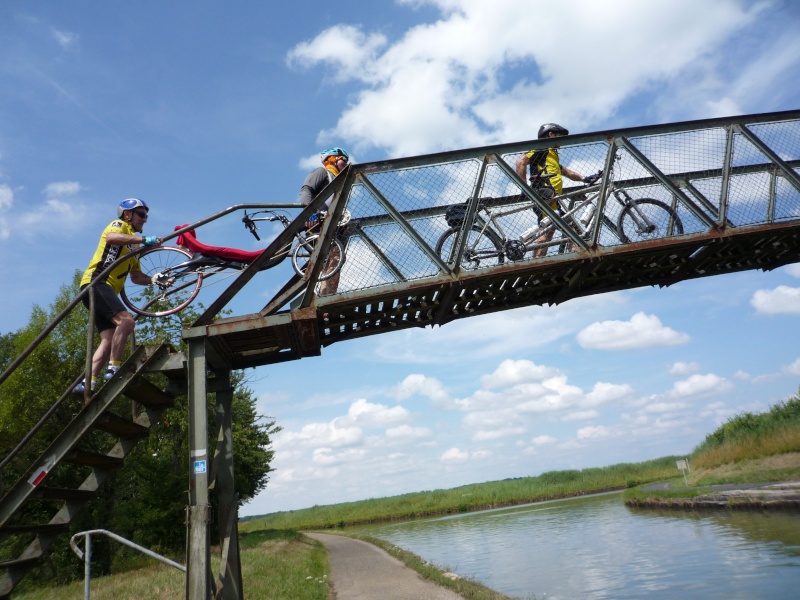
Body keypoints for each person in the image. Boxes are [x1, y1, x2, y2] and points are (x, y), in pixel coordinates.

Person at [75, 198, 162, 395]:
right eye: (141, 214)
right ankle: (114, 369)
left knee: (108, 338)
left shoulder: (134, 248)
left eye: (146, 216)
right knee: (127, 323)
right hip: (97, 282)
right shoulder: (119, 225)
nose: (145, 219)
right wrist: (143, 240)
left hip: (101, 291)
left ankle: (87, 382)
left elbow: (137, 277)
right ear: (127, 214)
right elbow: (112, 238)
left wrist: (156, 280)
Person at [515, 123, 597, 256]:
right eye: (559, 135)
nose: (561, 139)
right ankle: (542, 261)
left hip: (551, 196)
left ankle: (545, 259)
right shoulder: (542, 148)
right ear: (550, 134)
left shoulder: (551, 155)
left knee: (553, 228)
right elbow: (520, 162)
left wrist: (585, 179)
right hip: (545, 193)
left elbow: (568, 172)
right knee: (557, 228)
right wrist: (524, 187)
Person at [298, 147, 350, 296]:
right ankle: (324, 295)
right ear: (333, 159)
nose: (346, 164)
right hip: (316, 222)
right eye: (344, 161)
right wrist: (309, 213)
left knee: (337, 258)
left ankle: (326, 293)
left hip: (331, 226)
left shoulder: (339, 182)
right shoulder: (322, 173)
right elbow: (306, 190)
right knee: (331, 257)